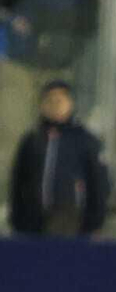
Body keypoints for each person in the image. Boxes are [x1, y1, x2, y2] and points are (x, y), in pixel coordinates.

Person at [0, 0, 88, 204]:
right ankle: (5, 203)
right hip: (20, 64)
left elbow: (85, 14)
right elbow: (3, 5)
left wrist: (70, 47)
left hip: (57, 69)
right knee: (12, 134)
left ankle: (49, 204)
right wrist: (14, 21)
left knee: (57, 139)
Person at [7, 79, 108, 237]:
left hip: (70, 219)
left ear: (70, 103)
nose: (54, 105)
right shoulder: (32, 140)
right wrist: (16, 219)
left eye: (59, 100)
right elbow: (18, 181)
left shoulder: (85, 140)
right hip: (32, 220)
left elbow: (99, 183)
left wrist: (95, 221)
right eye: (49, 100)